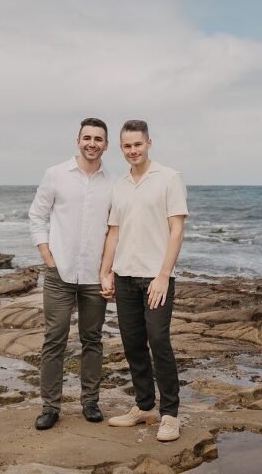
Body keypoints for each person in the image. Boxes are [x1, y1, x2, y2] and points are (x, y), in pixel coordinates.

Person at [99, 119, 188, 442]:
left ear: (149, 143)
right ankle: (145, 406)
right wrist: (105, 271)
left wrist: (163, 276)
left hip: (155, 278)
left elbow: (177, 230)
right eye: (127, 146)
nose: (133, 150)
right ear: (121, 148)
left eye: (138, 144)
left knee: (159, 340)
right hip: (124, 276)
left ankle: (170, 415)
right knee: (132, 343)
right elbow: (114, 232)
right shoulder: (119, 185)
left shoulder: (169, 178)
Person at [28, 117, 113, 430]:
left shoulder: (113, 183)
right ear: (78, 140)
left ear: (106, 145)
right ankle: (50, 407)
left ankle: (90, 402)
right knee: (55, 339)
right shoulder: (55, 174)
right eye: (87, 137)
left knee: (93, 340)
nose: (92, 143)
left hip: (95, 276)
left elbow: (116, 230)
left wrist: (109, 271)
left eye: (98, 139)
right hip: (59, 273)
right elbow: (37, 216)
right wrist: (47, 256)